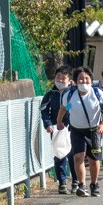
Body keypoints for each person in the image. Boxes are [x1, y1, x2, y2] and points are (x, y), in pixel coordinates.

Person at [58, 66, 103, 197]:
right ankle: (82, 185)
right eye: (80, 79)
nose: (84, 81)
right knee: (78, 158)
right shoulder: (70, 96)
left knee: (93, 160)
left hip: (93, 131)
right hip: (76, 131)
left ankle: (94, 184)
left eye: (86, 78)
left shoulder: (97, 94)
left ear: (91, 81)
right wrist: (59, 122)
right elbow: (64, 109)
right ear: (75, 81)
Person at [40, 65, 77, 194]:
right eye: (58, 77)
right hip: (56, 129)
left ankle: (76, 181)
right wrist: (48, 124)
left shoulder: (74, 94)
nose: (60, 80)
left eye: (63, 78)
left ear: (70, 81)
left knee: (74, 155)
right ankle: (62, 183)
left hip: (73, 128)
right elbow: (44, 111)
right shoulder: (50, 95)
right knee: (59, 154)